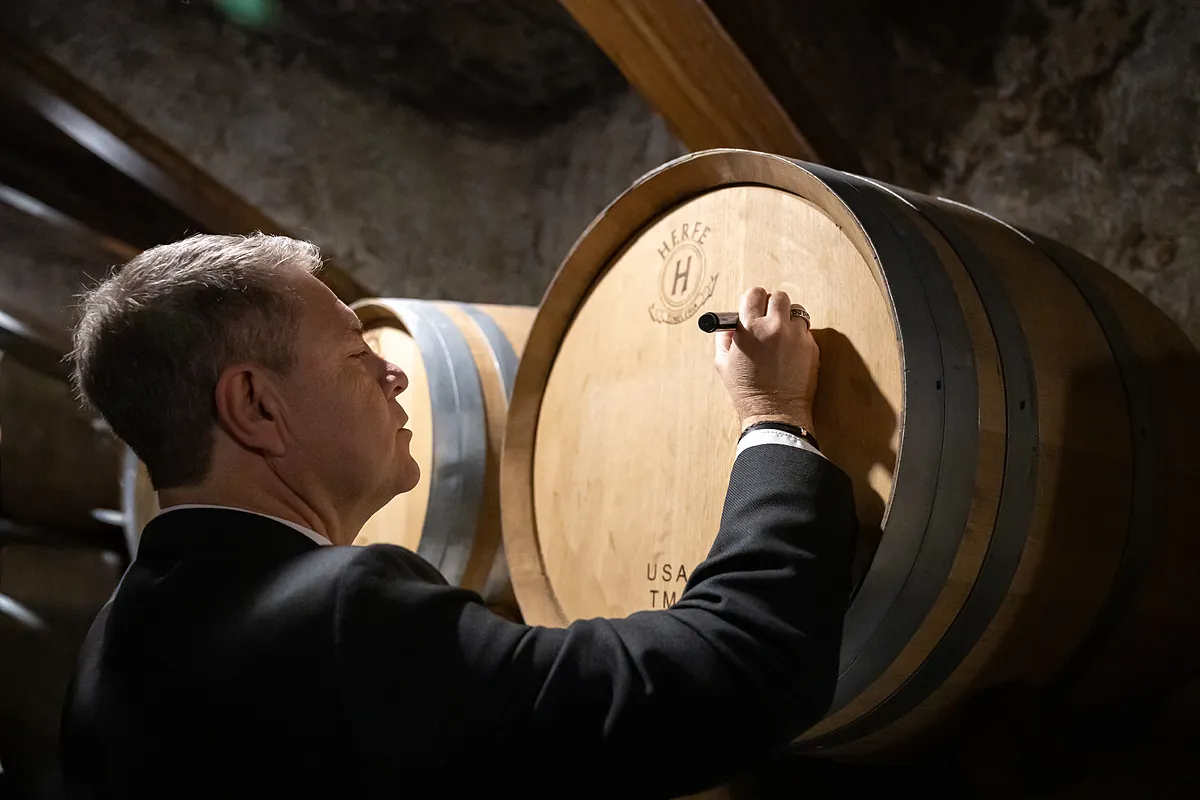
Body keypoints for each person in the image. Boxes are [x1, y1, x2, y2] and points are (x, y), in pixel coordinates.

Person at [59, 233, 856, 799]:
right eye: (355, 355)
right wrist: (773, 417)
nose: (394, 376)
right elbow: (728, 679)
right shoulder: (340, 615)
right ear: (256, 406)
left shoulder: (108, 653)